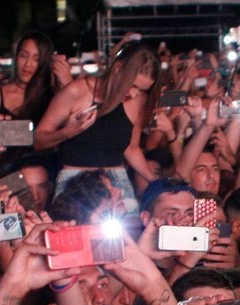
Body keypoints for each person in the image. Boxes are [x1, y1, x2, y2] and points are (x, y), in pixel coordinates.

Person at [35, 41, 163, 201]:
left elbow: (131, 148)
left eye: (142, 90)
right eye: (132, 85)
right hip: (76, 184)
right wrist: (66, 132)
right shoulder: (77, 91)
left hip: (117, 183)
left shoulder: (137, 101)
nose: (134, 93)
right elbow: (38, 139)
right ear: (117, 69)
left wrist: (154, 181)